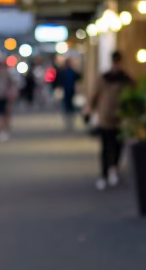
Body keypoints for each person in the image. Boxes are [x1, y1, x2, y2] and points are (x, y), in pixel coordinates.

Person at [89, 50, 133, 189]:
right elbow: (95, 95)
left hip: (119, 119)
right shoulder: (106, 78)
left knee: (117, 146)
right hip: (107, 118)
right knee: (107, 147)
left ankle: (112, 169)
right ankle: (105, 173)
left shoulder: (125, 79)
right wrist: (91, 108)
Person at [56, 57, 81, 130]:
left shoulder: (67, 71)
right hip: (67, 91)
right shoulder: (66, 72)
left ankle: (69, 118)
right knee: (68, 105)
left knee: (68, 105)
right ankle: (69, 118)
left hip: (69, 91)